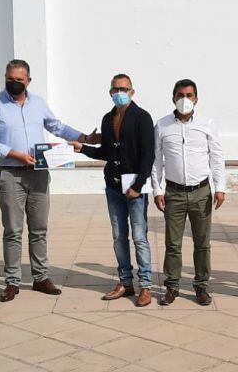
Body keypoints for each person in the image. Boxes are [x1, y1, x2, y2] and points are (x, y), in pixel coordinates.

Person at [0, 59, 97, 302]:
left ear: (28, 81)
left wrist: (84, 137)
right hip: (11, 174)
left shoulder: (38, 104)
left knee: (39, 229)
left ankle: (41, 277)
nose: (14, 83)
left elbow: (57, 127)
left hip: (39, 174)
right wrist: (14, 153)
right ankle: (12, 281)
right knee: (13, 230)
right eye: (10, 79)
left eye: (19, 80)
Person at [75, 74, 156, 307]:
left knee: (139, 237)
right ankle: (125, 282)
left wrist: (138, 185)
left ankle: (146, 285)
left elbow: (148, 155)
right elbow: (107, 152)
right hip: (113, 186)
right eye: (116, 88)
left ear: (132, 92)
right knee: (119, 237)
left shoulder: (142, 117)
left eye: (124, 88)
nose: (119, 92)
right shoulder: (107, 118)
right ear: (110, 92)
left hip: (134, 188)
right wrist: (84, 149)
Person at [151, 79, 227, 306]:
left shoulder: (207, 124)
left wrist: (220, 187)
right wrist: (157, 189)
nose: (185, 99)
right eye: (180, 94)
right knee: (172, 244)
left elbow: (216, 157)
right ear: (173, 97)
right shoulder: (162, 125)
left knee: (202, 243)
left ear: (196, 98)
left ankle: (201, 286)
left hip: (201, 192)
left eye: (190, 95)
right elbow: (157, 160)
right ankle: (172, 286)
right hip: (173, 192)